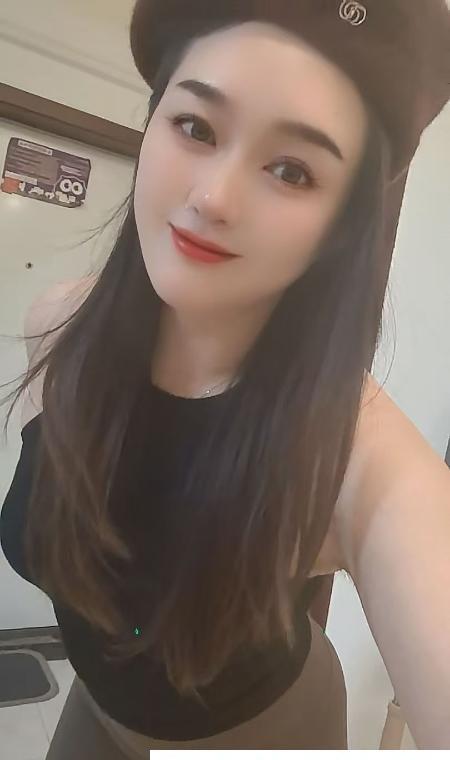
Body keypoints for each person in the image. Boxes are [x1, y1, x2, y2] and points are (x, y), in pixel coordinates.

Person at [1, 0, 450, 754]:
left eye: (291, 170)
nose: (213, 197)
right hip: (96, 700)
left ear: (342, 223)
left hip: (257, 731)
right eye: (195, 127)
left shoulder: (360, 455)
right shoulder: (57, 325)